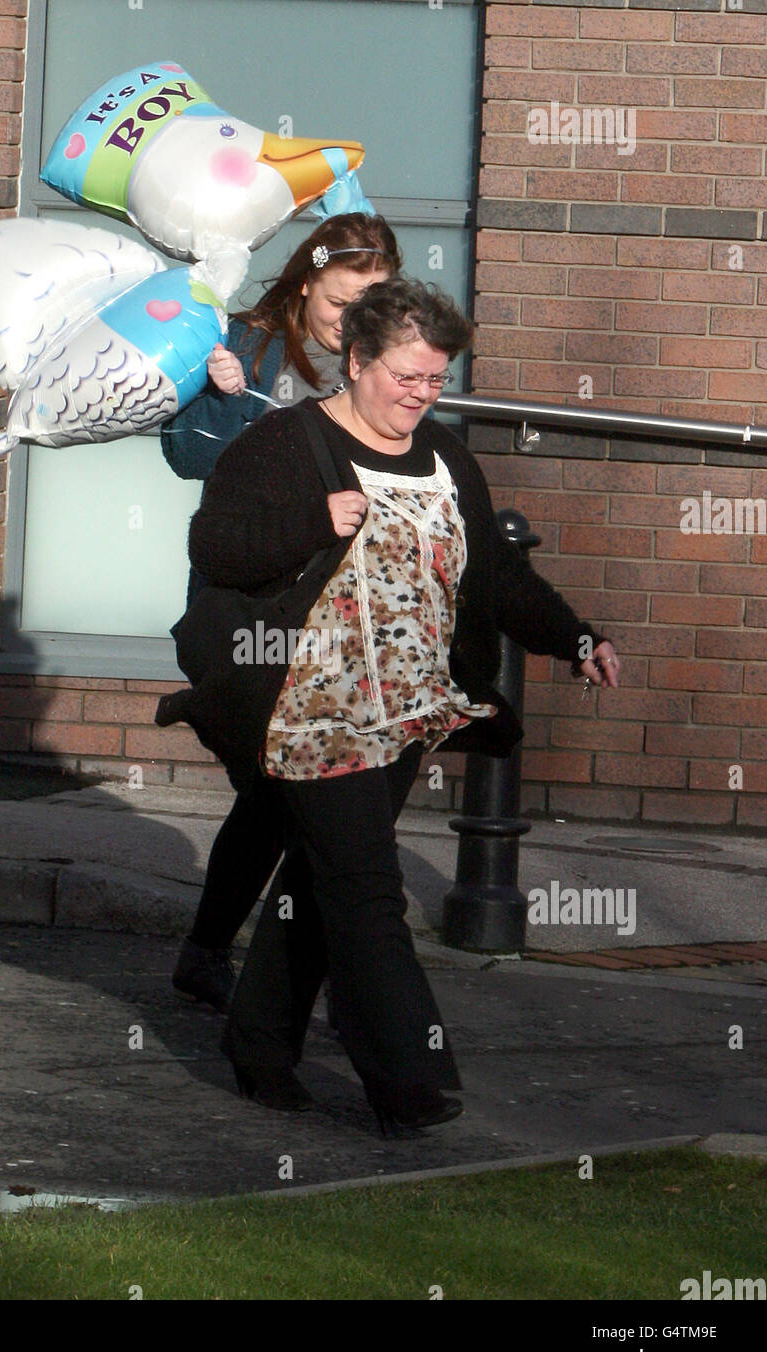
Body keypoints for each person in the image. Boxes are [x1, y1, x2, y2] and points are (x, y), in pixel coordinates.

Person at [182, 278, 621, 1134]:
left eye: (434, 381)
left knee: (321, 880)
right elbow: (215, 549)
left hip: (407, 712)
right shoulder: (284, 444)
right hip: (309, 713)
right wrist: (313, 520)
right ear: (354, 362)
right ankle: (409, 1078)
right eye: (405, 377)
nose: (420, 395)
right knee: (367, 889)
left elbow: (493, 577)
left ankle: (261, 1047)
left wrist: (572, 638)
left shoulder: (446, 455)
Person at [163, 214, 401, 1014]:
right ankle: (293, 993)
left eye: (374, 305)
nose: (354, 324)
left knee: (282, 795)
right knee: (288, 792)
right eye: (341, 304)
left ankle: (229, 967)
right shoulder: (246, 347)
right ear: (304, 284)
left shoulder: (382, 366)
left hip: (335, 612)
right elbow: (188, 456)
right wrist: (226, 402)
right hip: (243, 608)